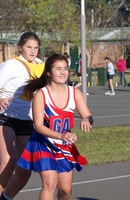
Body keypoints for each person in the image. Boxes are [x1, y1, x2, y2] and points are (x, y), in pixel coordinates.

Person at [16, 54, 93, 200]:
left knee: (65, 190)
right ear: (49, 73)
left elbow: (88, 115)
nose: (63, 72)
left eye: (65, 68)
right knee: (50, 184)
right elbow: (38, 126)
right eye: (58, 69)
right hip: (42, 142)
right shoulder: (41, 94)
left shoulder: (74, 93)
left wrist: (86, 120)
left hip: (64, 145)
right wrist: (60, 135)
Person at [0, 32, 45, 200]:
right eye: (29, 47)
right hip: (5, 117)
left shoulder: (42, 66)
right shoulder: (11, 65)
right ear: (20, 47)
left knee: (25, 170)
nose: (32, 51)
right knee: (9, 161)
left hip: (26, 120)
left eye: (35, 48)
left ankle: (6, 198)